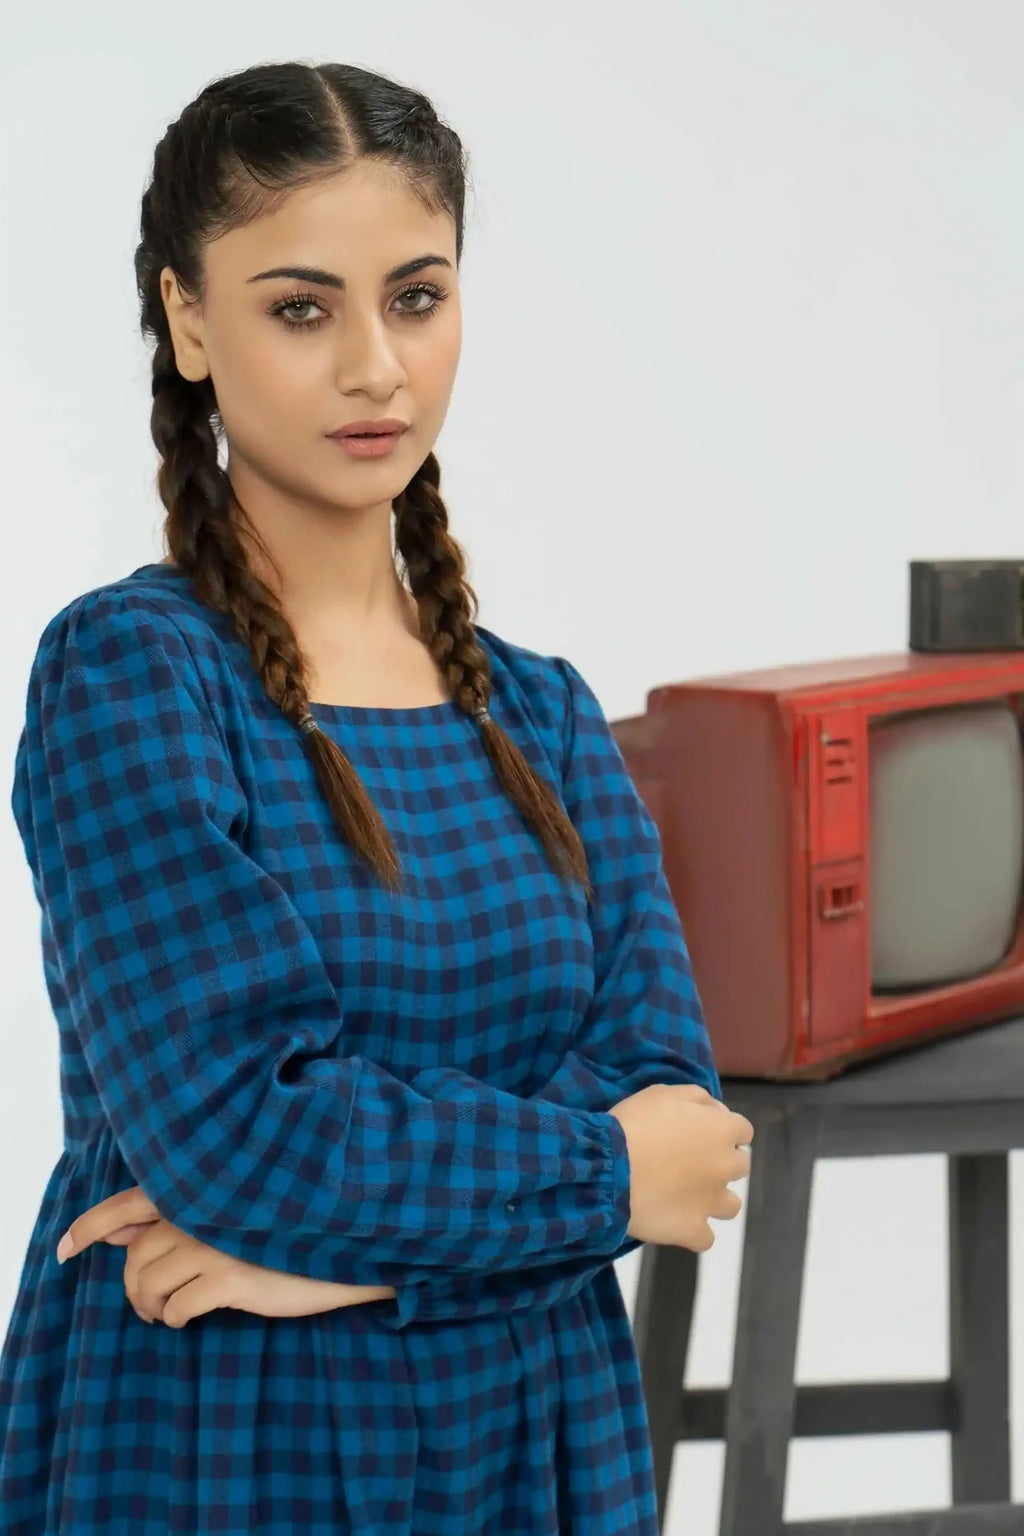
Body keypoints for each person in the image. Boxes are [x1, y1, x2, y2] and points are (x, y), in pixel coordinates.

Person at [0, 60, 753, 1535]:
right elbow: (241, 1131)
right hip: (228, 1437)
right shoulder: (133, 680)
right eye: (301, 308)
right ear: (187, 319)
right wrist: (599, 1177)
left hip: (538, 1441)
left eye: (416, 297)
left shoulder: (538, 712)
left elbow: (685, 1131)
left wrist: (333, 1264)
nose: (375, 368)